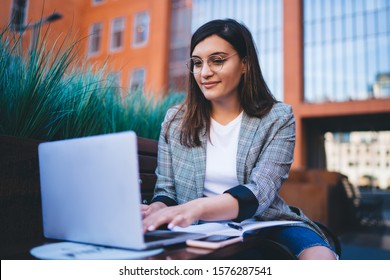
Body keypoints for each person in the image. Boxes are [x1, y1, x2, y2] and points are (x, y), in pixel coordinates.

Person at [142, 18, 337, 260]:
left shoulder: (278, 118)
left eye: (217, 60)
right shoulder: (176, 120)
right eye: (197, 63)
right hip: (197, 227)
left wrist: (195, 208)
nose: (204, 72)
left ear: (245, 64)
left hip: (265, 222)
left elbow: (259, 192)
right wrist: (157, 208)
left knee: (321, 259)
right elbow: (166, 190)